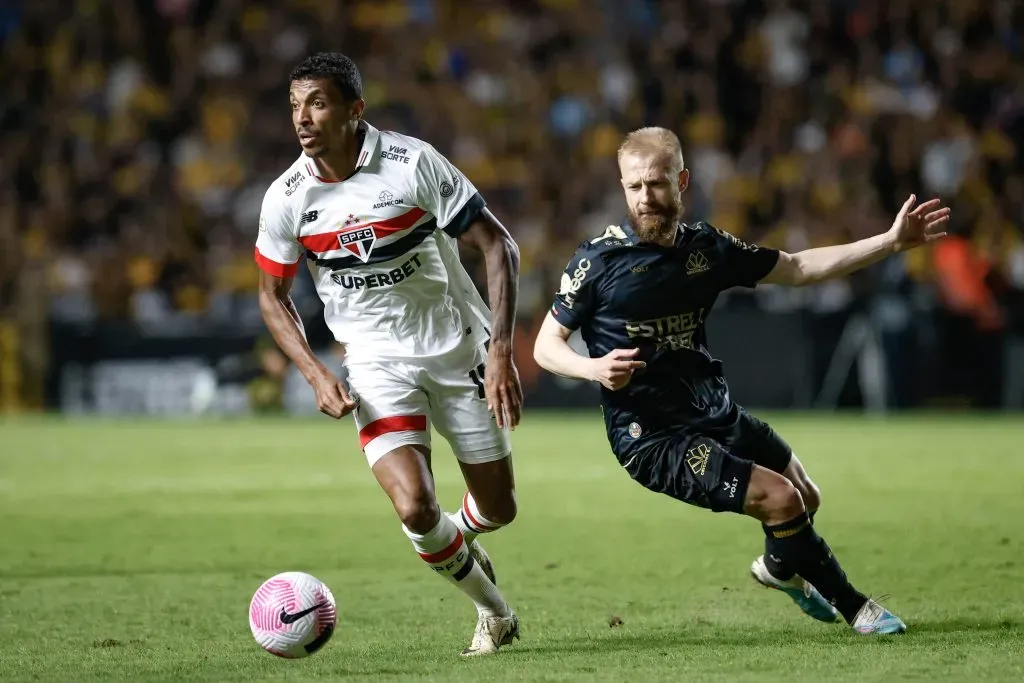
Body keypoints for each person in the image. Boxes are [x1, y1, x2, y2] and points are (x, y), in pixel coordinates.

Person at [533, 127, 950, 635]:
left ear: (681, 181)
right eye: (634, 186)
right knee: (781, 499)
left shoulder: (706, 248)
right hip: (651, 435)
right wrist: (593, 367)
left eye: (657, 183)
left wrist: (889, 242)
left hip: (712, 410)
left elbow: (797, 268)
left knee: (805, 497)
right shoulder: (597, 261)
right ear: (622, 187)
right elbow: (545, 346)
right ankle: (857, 608)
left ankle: (778, 569)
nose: (645, 198)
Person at [254, 53, 522, 656]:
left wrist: (501, 350)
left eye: (317, 103)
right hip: (375, 364)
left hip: (456, 347)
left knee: (499, 508)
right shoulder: (287, 197)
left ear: (355, 109)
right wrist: (315, 373)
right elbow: (271, 295)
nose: (302, 118)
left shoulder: (412, 164)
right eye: (295, 106)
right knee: (415, 506)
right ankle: (494, 611)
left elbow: (498, 246)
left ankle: (460, 539)